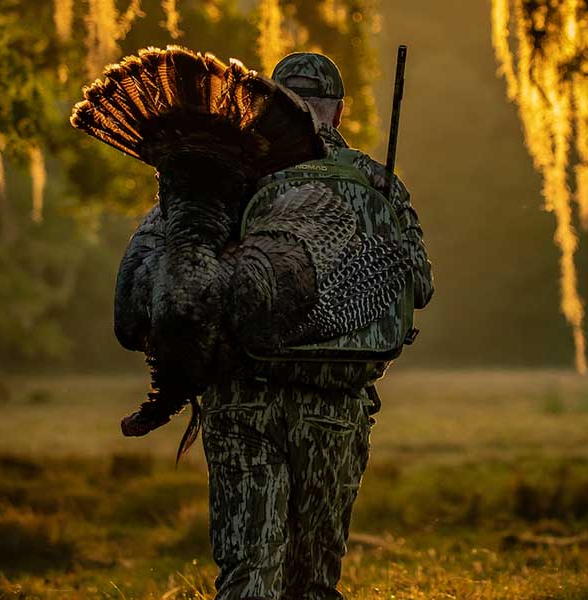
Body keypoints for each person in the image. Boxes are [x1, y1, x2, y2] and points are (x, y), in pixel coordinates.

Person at [199, 52, 433, 600]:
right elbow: (418, 286)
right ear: (341, 112)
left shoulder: (227, 177)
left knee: (247, 570)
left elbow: (190, 281)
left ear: (268, 108)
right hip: (334, 405)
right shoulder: (378, 182)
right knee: (313, 581)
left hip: (241, 401)